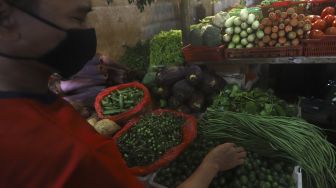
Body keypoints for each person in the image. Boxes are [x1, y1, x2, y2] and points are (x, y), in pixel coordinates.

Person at [0, 0, 246, 187]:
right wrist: (211, 164)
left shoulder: (39, 106)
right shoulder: (55, 150)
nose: (87, 32)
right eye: (77, 19)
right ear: (6, 17)